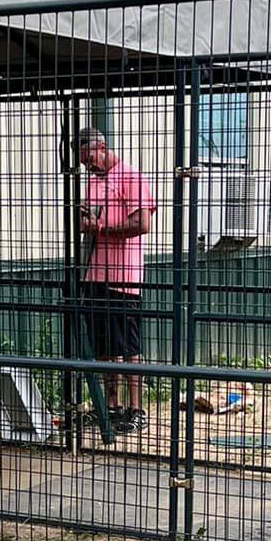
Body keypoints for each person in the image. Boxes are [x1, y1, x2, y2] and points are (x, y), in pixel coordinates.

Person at [77, 126, 156, 434]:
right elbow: (88, 221)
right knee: (105, 346)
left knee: (129, 345)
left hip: (124, 275)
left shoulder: (131, 177)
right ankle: (111, 407)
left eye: (90, 159)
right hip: (95, 273)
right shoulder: (93, 182)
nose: (89, 166)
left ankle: (137, 409)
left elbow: (142, 223)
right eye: (84, 163)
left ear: (103, 147)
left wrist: (102, 228)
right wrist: (87, 222)